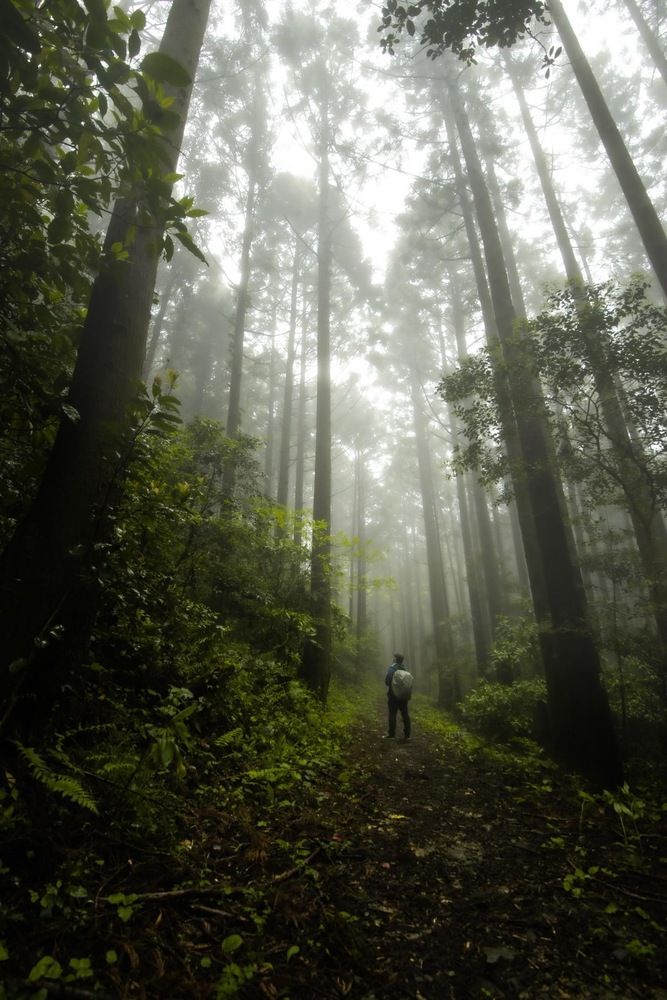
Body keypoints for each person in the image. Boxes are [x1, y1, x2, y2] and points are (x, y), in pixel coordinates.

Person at [384, 652, 411, 741]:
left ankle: (391, 735)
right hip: (403, 696)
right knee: (405, 715)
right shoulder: (405, 669)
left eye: (394, 658)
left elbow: (387, 682)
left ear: (395, 659)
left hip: (393, 695)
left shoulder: (392, 668)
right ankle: (407, 735)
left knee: (392, 714)